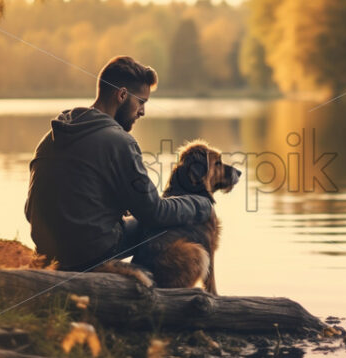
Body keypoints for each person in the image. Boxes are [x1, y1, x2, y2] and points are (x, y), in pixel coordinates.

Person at [25, 56, 212, 271]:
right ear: (122, 95)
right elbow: (155, 213)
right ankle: (150, 282)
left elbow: (30, 210)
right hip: (88, 254)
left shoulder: (51, 137)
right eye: (141, 102)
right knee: (170, 220)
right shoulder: (119, 142)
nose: (142, 112)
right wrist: (200, 204)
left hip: (47, 251)